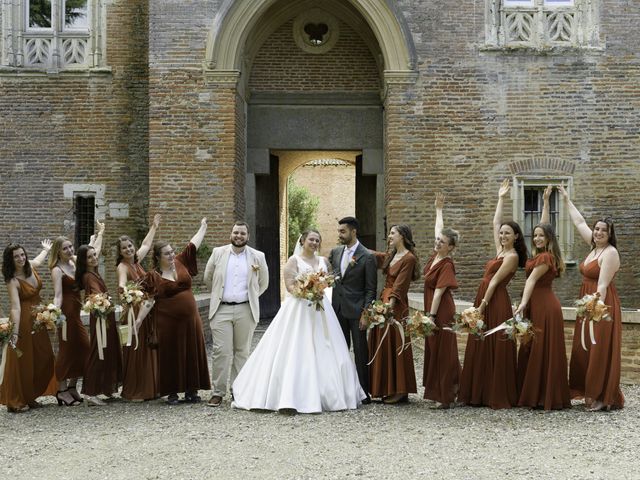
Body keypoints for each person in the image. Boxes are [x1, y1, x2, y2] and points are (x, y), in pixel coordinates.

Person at [232, 229, 366, 413]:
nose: (314, 243)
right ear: (302, 240)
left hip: (320, 310)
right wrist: (306, 291)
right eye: (311, 239)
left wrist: (319, 288)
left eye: (317, 240)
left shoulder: (324, 261)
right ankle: (287, 395)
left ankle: (330, 394)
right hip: (298, 308)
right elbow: (290, 286)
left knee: (327, 347)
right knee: (294, 347)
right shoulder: (293, 261)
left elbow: (330, 282)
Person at [458, 179, 527, 409]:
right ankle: (478, 391)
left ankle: (495, 393)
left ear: (516, 236)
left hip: (494, 301)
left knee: (494, 341)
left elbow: (496, 282)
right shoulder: (499, 250)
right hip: (484, 296)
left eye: (508, 233)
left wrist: (481, 307)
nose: (503, 235)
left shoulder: (512, 257)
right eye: (502, 233)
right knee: (480, 343)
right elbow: (495, 221)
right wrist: (500, 197)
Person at [559, 185, 624, 411]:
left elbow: (603, 284)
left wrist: (594, 309)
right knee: (583, 347)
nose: (597, 233)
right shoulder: (593, 247)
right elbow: (578, 223)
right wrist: (567, 200)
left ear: (609, 234)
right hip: (586, 301)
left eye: (603, 231)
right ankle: (586, 390)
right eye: (596, 229)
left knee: (599, 349)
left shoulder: (610, 253)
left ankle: (601, 395)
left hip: (601, 304)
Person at [135, 218, 211, 405]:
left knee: (192, 352)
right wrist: (138, 321)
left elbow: (193, 244)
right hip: (167, 322)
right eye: (166, 253)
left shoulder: (181, 261)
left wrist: (202, 227)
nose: (171, 255)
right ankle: (172, 392)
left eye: (171, 252)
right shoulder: (153, 276)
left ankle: (192, 390)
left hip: (190, 319)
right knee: (171, 354)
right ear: (158, 257)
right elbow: (148, 301)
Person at [514, 186, 571, 410]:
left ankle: (541, 395)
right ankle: (536, 393)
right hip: (540, 304)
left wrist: (523, 304)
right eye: (535, 235)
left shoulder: (546, 257)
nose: (537, 238)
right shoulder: (542, 253)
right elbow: (544, 225)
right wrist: (546, 203)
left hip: (544, 306)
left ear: (548, 239)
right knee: (536, 347)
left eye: (541, 236)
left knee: (540, 348)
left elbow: (530, 281)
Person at [203, 222, 269, 407]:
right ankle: (218, 392)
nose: (238, 236)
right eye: (235, 232)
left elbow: (263, 282)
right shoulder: (218, 253)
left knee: (242, 352)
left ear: (247, 236)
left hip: (245, 309)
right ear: (231, 234)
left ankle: (238, 391)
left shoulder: (258, 256)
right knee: (221, 351)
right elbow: (208, 278)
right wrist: (219, 294)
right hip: (221, 309)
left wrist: (251, 298)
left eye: (242, 233)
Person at [49, 222, 104, 406]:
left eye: (70, 246)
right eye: (65, 248)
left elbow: (92, 252)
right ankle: (62, 390)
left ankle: (72, 387)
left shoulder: (73, 262)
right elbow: (57, 295)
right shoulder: (57, 269)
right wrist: (55, 314)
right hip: (65, 314)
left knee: (83, 349)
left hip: (77, 310)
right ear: (58, 251)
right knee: (66, 351)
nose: (69, 249)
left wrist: (97, 236)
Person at [0, 241, 57, 412]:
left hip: (38, 319)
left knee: (44, 356)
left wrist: (46, 250)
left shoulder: (30, 266)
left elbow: (38, 261)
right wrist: (15, 333)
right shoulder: (12, 280)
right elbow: (15, 307)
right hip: (23, 321)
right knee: (23, 361)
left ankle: (30, 395)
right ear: (10, 260)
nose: (21, 258)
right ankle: (16, 401)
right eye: (16, 256)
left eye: (22, 254)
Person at [368, 224, 420, 404]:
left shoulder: (409, 258)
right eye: (389, 233)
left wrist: (389, 307)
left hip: (395, 304)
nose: (389, 236)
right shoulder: (392, 255)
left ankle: (400, 389)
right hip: (384, 299)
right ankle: (383, 387)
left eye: (392, 233)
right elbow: (377, 256)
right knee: (383, 342)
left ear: (403, 236)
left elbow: (400, 284)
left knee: (396, 342)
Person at [328, 216, 377, 402]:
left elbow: (370, 288)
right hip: (338, 309)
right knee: (339, 350)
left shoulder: (368, 256)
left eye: (343, 231)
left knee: (360, 351)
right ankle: (341, 390)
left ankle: (364, 392)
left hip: (357, 312)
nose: (339, 234)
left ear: (353, 232)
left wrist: (366, 313)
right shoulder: (336, 252)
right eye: (339, 231)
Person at [422, 194, 461, 409]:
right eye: (437, 240)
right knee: (434, 349)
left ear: (451, 247)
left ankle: (445, 395)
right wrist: (438, 210)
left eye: (442, 242)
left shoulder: (446, 263)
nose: (437, 242)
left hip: (441, 310)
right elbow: (440, 230)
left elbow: (438, 292)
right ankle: (449, 390)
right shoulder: (436, 256)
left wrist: (431, 316)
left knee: (443, 351)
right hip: (433, 307)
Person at [116, 214, 161, 401]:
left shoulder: (136, 260)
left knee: (148, 348)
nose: (128, 249)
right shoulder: (122, 266)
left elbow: (146, 244)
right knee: (136, 349)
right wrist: (128, 292)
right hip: (134, 311)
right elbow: (122, 285)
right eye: (124, 248)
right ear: (119, 252)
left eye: (129, 246)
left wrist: (154, 227)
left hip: (147, 310)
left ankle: (150, 387)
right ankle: (136, 390)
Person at [76, 241, 123, 406]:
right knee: (97, 352)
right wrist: (104, 301)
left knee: (107, 350)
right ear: (83, 261)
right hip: (100, 319)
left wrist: (100, 234)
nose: (94, 258)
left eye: (94, 255)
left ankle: (106, 388)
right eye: (89, 257)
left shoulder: (94, 273)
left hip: (105, 316)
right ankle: (89, 392)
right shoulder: (88, 277)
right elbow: (95, 295)